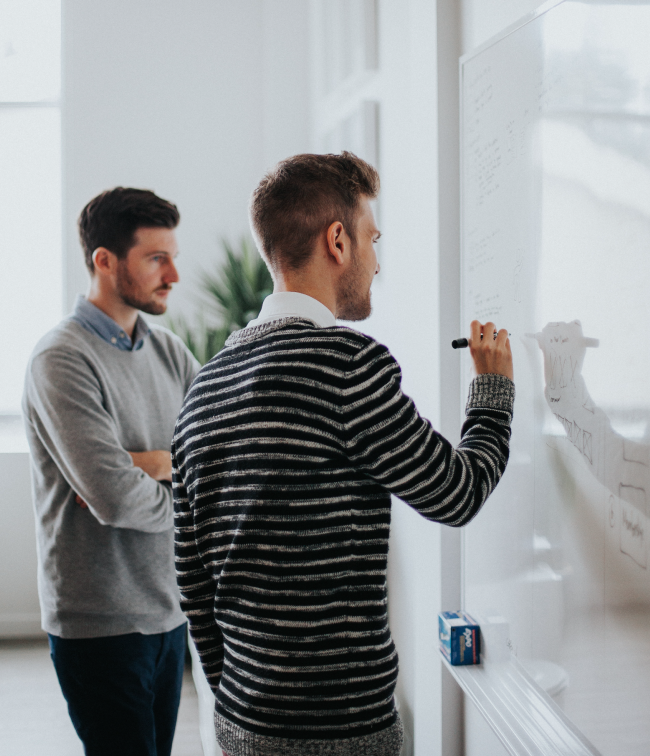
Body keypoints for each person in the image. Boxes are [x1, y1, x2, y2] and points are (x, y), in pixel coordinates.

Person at [172, 152, 515, 756]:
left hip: (241, 721)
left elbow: (193, 577)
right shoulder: (347, 366)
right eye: (372, 238)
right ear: (338, 240)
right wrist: (494, 388)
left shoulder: (207, 384)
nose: (377, 261)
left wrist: (240, 708)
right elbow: (459, 494)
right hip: (341, 730)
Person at [23, 188, 200, 756]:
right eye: (155, 258)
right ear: (104, 260)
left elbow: (221, 454)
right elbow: (115, 500)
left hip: (170, 610)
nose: (173, 273)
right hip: (100, 623)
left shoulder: (170, 352)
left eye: (172, 256)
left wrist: (146, 464)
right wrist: (186, 488)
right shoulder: (60, 359)